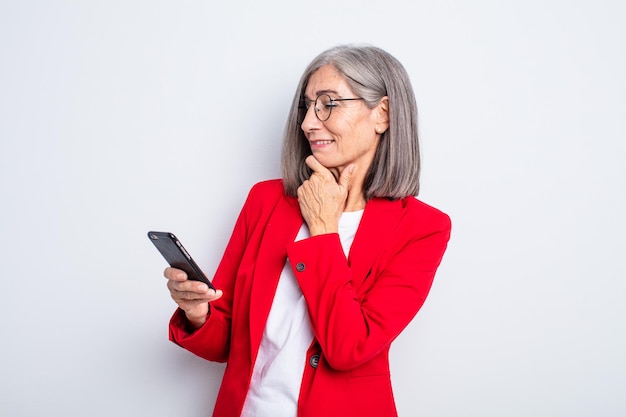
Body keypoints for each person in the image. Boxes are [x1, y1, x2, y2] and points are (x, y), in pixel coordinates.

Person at [164, 44, 451, 417]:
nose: (308, 123)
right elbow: (228, 343)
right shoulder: (266, 201)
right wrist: (199, 311)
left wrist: (322, 229)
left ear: (382, 114)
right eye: (307, 105)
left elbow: (348, 349)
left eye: (328, 103)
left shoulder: (422, 228)